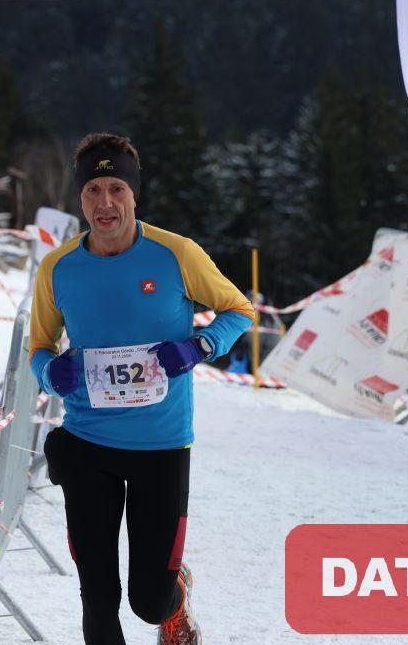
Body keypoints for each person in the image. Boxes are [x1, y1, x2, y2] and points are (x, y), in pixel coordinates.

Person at [30, 133, 254, 644]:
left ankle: (175, 601)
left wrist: (200, 346)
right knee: (98, 597)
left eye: (116, 189)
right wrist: (50, 373)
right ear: (80, 197)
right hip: (86, 442)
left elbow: (239, 310)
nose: (104, 202)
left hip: (161, 446)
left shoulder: (177, 254)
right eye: (92, 190)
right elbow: (38, 346)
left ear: (134, 194)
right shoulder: (58, 268)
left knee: (148, 600)